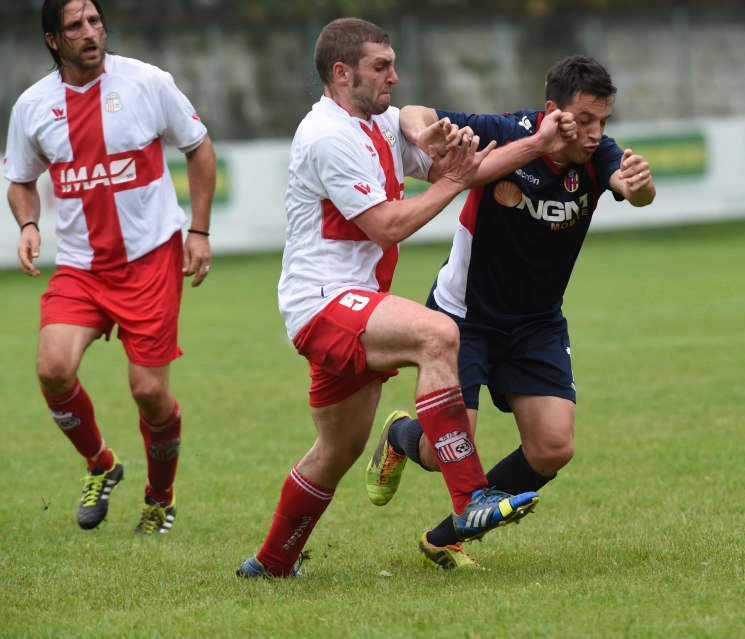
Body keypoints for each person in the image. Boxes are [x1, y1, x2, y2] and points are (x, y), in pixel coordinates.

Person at [234, 18, 575, 579]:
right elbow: (388, 225)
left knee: (337, 450)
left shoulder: (381, 123)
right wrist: (452, 181)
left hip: (356, 303)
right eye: (381, 66)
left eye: (393, 62)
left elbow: (456, 159)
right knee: (437, 333)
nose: (395, 75)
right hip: (321, 302)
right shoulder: (326, 136)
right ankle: (471, 502)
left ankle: (271, 563)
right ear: (342, 74)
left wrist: (535, 143)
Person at [365, 55, 656, 568]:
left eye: (603, 122)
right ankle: (399, 434)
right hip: (464, 318)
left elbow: (631, 190)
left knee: (552, 447)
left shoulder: (598, 156)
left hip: (537, 323)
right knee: (441, 454)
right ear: (553, 111)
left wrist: (637, 186)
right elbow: (412, 110)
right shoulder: (508, 133)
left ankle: (445, 537)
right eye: (584, 120)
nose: (594, 133)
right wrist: (428, 133)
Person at [4, 0, 216, 535]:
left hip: (150, 260)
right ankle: (101, 463)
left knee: (149, 392)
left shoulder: (146, 82)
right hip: (81, 267)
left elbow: (198, 146)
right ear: (54, 40)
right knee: (52, 369)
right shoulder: (33, 105)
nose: (89, 33)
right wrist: (28, 225)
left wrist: (199, 231)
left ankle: (159, 498)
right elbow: (21, 180)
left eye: (94, 21)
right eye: (74, 26)